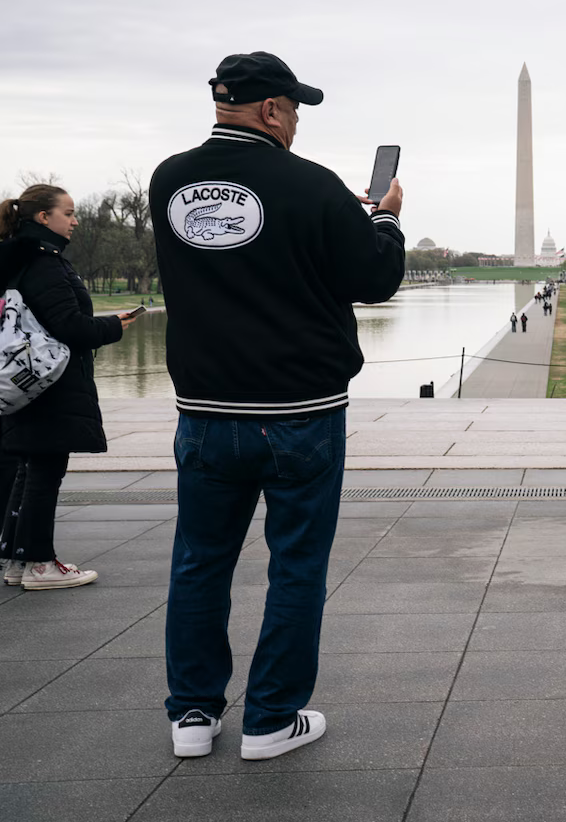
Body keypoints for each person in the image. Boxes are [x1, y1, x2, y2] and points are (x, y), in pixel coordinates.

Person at [149, 52, 405, 761]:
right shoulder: (312, 186)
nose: (294, 124)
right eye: (294, 111)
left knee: (200, 561)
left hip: (204, 408)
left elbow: (228, 259)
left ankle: (192, 716)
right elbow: (375, 280)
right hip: (300, 408)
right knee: (295, 564)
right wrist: (382, 221)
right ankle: (269, 718)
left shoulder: (169, 179)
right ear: (271, 110)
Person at [0, 183, 136, 590]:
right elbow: (70, 327)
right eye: (68, 212)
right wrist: (114, 326)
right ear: (43, 217)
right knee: (45, 471)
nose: (75, 220)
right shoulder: (45, 263)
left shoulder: (18, 259)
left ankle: (16, 558)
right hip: (51, 384)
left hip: (27, 383)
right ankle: (40, 564)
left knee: (29, 468)